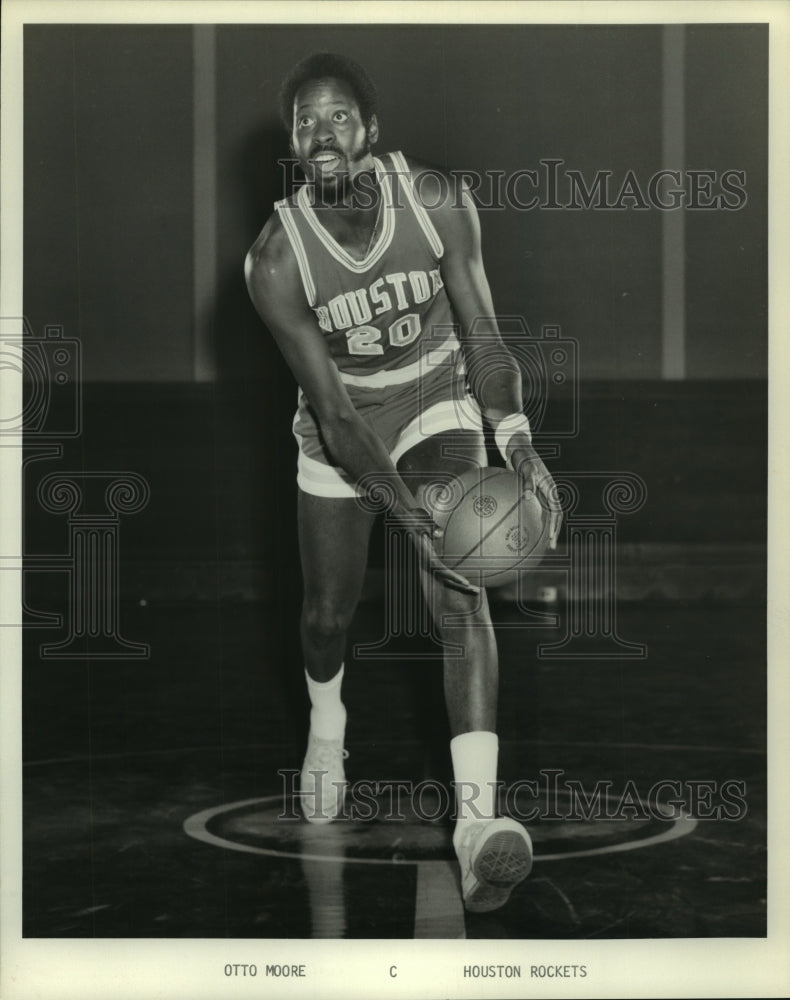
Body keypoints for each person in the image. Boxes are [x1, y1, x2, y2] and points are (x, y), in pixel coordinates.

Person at [245, 52, 561, 913]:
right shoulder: (277, 259)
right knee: (326, 615)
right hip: (344, 426)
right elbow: (339, 420)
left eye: (339, 117)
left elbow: (485, 337)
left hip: (432, 398)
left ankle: (477, 825)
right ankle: (327, 731)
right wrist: (402, 509)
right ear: (294, 142)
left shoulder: (434, 202)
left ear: (371, 131)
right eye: (307, 121)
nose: (323, 133)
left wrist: (519, 442)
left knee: (460, 586)